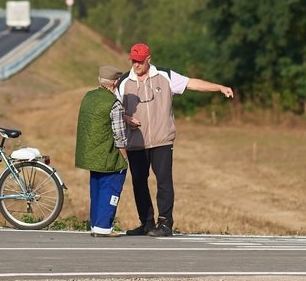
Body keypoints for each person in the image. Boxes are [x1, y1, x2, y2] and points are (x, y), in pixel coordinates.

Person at [115, 43, 234, 237]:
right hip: (136, 143)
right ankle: (146, 223)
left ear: (148, 59)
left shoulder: (165, 76)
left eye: (139, 61)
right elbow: (115, 110)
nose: (136, 65)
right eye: (133, 61)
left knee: (164, 181)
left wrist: (218, 87)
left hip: (162, 140)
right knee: (139, 183)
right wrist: (127, 119)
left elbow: (191, 83)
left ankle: (165, 223)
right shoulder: (123, 82)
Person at [74, 65, 130, 237]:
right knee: (111, 188)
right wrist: (124, 157)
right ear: (116, 82)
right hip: (108, 154)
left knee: (96, 189)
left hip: (90, 154)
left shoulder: (88, 97)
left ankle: (95, 225)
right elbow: (119, 135)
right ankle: (104, 227)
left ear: (100, 80)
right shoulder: (114, 104)